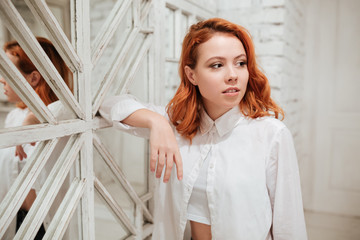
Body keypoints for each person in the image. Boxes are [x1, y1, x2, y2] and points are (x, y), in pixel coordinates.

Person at [100, 18, 307, 239]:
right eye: (217, 65)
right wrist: (156, 122)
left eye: (240, 63)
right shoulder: (177, 124)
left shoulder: (271, 134)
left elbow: (289, 224)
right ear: (192, 75)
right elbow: (107, 105)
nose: (232, 75)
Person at [0, 37, 72, 239]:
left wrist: (34, 117)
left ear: (33, 78)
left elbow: (70, 108)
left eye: (7, 72)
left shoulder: (63, 120)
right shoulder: (14, 117)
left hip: (44, 225)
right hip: (13, 220)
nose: (1, 79)